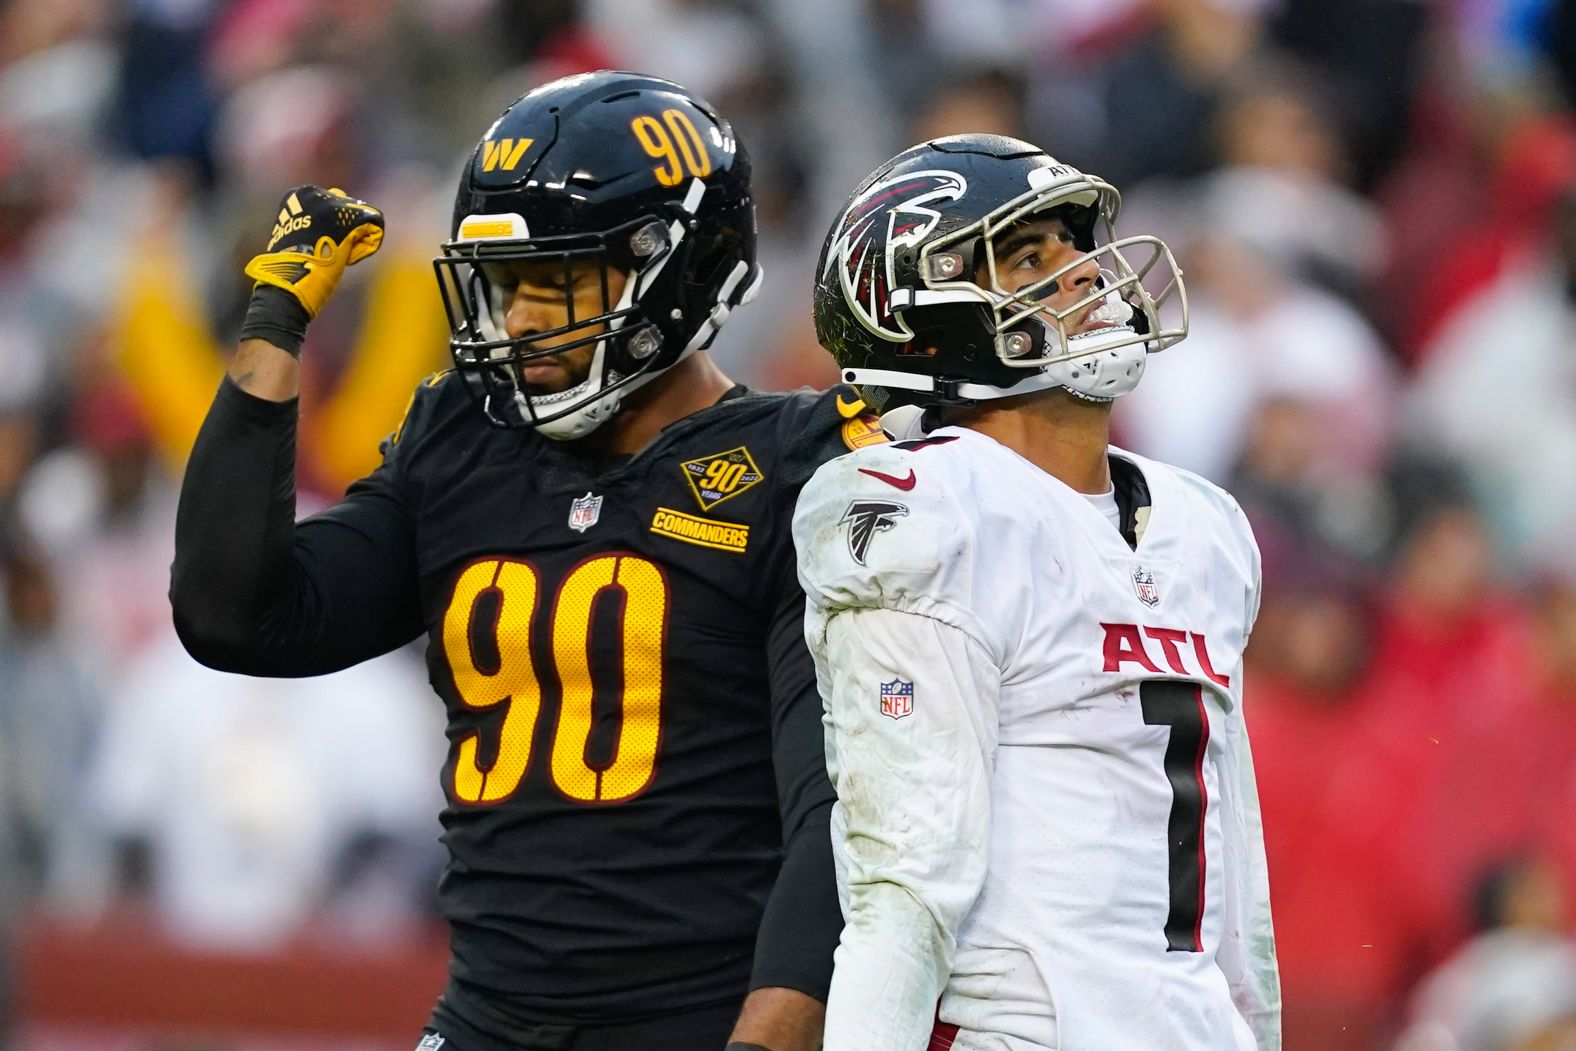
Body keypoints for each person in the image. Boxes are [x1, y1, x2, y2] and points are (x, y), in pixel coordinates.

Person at [171, 71, 871, 1051]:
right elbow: (238, 614)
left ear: (673, 266)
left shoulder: (797, 467)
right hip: (489, 1017)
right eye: (506, 285)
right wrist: (274, 327)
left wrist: (770, 1034)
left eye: (558, 279)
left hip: (698, 1017)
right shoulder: (463, 436)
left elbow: (843, 813)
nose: (525, 318)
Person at [792, 134, 1282, 1050]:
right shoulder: (932, 505)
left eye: (1073, 245)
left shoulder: (1201, 523)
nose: (1084, 272)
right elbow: (903, 882)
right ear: (928, 320)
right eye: (1028, 258)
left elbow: (1238, 888)